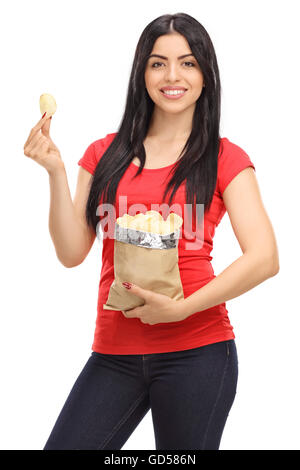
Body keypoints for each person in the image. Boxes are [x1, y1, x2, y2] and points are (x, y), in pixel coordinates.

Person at [23, 13, 279, 450]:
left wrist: (184, 308)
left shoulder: (225, 158)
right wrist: (55, 172)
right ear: (142, 73)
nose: (172, 76)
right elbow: (70, 252)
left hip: (197, 351)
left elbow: (265, 258)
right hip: (113, 353)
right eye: (158, 63)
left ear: (205, 76)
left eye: (188, 62)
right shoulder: (104, 153)